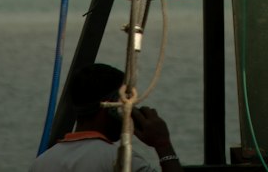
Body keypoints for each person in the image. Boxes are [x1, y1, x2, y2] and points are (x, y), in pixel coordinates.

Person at [30, 63, 182, 171]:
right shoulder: (120, 161)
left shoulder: (41, 163)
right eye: (125, 103)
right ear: (112, 107)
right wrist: (163, 144)